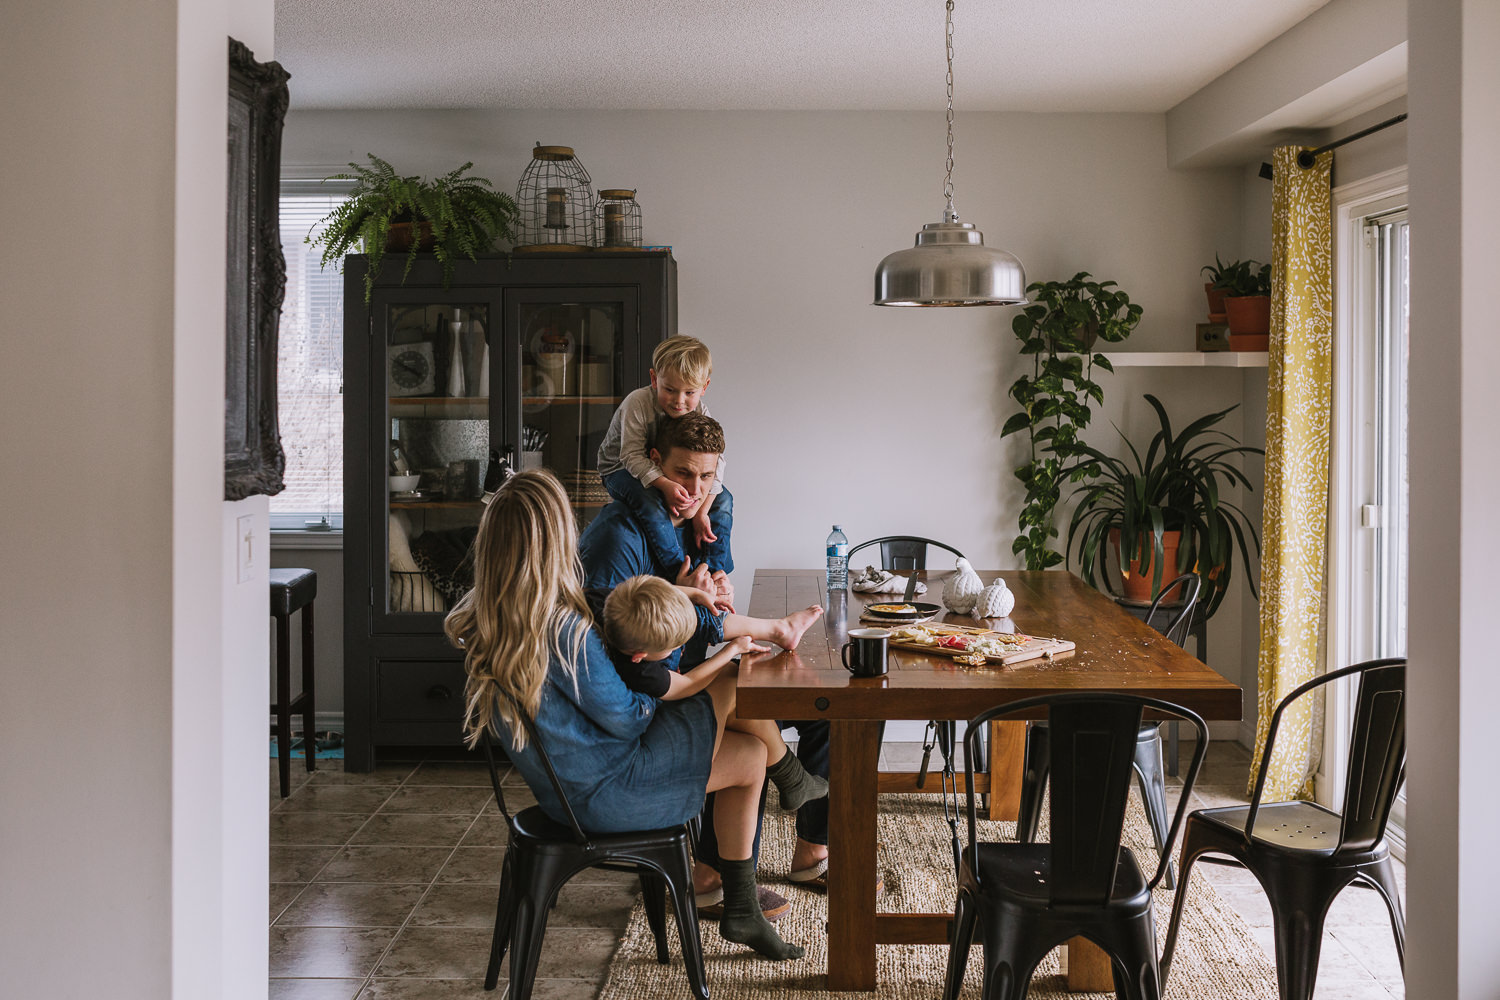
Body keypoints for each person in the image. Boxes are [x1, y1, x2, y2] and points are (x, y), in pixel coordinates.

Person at [444, 469, 804, 961]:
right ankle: (793, 783)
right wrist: (669, 647)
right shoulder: (562, 629)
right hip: (609, 794)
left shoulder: (490, 617)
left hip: (565, 792)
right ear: (556, 539)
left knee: (747, 756)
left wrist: (676, 601)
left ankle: (742, 904)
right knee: (728, 680)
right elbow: (633, 717)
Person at [579, 412, 846, 905]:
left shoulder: (692, 523)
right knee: (748, 710)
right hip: (647, 700)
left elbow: (698, 619)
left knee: (819, 708)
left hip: (684, 670)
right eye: (683, 474)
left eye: (706, 476)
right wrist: (698, 609)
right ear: (654, 462)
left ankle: (811, 853)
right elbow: (625, 650)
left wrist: (716, 595)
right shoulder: (619, 537)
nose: (694, 488)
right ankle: (709, 877)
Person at [600, 574, 830, 813]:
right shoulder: (641, 671)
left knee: (734, 690)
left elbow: (659, 590)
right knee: (731, 678)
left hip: (653, 726)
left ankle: (793, 779)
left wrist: (698, 594)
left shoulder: (613, 604)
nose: (679, 648)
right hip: (658, 748)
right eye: (672, 648)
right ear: (640, 655)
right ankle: (793, 779)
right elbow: (687, 684)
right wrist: (730, 651)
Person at [597, 335, 732, 584]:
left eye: (689, 392)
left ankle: (714, 572)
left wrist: (703, 511)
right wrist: (666, 485)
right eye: (669, 390)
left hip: (660, 464)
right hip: (619, 469)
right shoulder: (637, 404)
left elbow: (717, 463)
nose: (679, 401)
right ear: (653, 379)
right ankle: (676, 570)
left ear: (704, 387)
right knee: (649, 501)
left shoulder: (700, 409)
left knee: (724, 499)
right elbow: (630, 455)